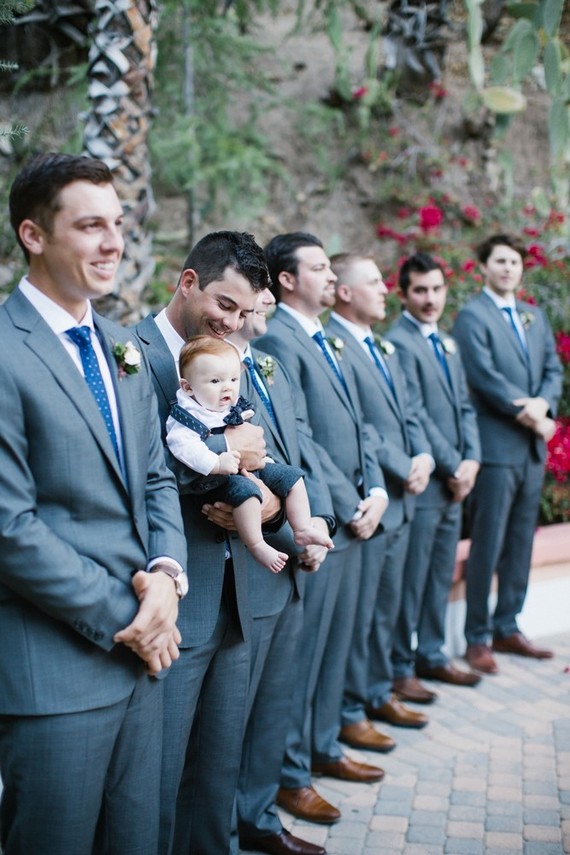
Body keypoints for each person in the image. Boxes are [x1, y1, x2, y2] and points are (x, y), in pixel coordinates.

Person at [0, 152, 188, 855]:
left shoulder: (122, 346)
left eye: (118, 223)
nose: (114, 243)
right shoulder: (5, 350)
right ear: (34, 234)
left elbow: (156, 475)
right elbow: (9, 527)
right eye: (89, 226)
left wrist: (168, 574)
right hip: (54, 671)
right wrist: (130, 617)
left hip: (144, 659)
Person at [135, 230, 276, 854]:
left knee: (219, 768)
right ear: (187, 282)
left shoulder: (231, 360)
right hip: (176, 587)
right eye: (225, 306)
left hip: (237, 591)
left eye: (245, 313)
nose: (235, 324)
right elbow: (143, 468)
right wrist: (225, 455)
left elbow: (261, 451)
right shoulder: (129, 354)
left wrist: (269, 500)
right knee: (158, 773)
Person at [257, 232, 387, 826]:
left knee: (337, 642)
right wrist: (341, 502)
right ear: (286, 280)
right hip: (323, 515)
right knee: (301, 660)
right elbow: (301, 440)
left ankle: (323, 746)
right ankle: (290, 774)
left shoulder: (326, 336)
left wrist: (377, 488)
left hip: (354, 508)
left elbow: (359, 427)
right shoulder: (278, 338)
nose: (332, 278)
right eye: (318, 268)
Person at [227, 286, 334, 855]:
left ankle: (261, 816)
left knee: (275, 701)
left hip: (292, 550)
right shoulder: (210, 366)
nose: (267, 297)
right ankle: (229, 826)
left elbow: (302, 455)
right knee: (231, 720)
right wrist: (290, 532)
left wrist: (321, 526)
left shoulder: (268, 365)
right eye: (257, 288)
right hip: (249, 558)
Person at [327, 252, 434, 739]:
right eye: (373, 282)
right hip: (374, 496)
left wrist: (425, 457)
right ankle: (350, 710)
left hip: (404, 498)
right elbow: (361, 427)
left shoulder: (383, 347)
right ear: (344, 292)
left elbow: (411, 411)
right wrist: (399, 465)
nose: (386, 289)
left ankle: (374, 693)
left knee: (387, 608)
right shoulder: (334, 345)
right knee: (362, 616)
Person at [453, 234, 563, 674]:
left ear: (521, 268)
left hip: (530, 453)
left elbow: (553, 370)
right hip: (496, 450)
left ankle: (508, 625)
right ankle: (477, 636)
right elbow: (484, 378)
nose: (508, 268)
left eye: (514, 262)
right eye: (499, 260)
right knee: (489, 543)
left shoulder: (533, 316)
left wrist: (545, 404)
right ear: (484, 267)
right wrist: (536, 416)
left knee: (520, 543)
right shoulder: (471, 317)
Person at [387, 251, 482, 691]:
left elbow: (465, 405)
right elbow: (416, 413)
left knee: (441, 574)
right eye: (420, 290)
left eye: (437, 289)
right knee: (414, 578)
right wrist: (452, 466)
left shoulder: (446, 340)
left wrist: (473, 461)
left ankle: (431, 653)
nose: (430, 299)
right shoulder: (398, 343)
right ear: (403, 294)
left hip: (455, 484)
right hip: (428, 484)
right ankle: (401, 665)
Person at [166, 335, 333, 574]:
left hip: (253, 465)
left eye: (233, 379)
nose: (227, 387)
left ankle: (302, 526)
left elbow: (252, 436)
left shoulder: (231, 405)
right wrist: (215, 460)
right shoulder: (187, 415)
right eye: (215, 381)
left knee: (293, 477)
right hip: (222, 476)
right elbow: (182, 446)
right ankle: (256, 544)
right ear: (188, 387)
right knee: (248, 494)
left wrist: (262, 457)